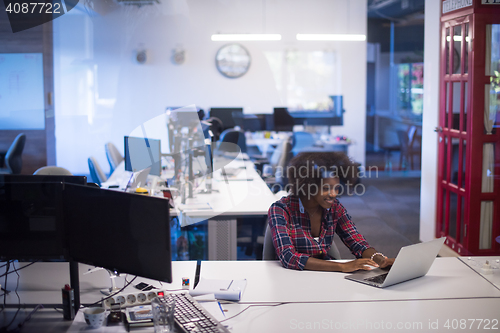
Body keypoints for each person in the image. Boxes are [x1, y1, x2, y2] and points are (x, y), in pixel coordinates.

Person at [268, 152, 395, 272]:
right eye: (326, 188)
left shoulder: (335, 208)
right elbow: (288, 257)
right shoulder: (281, 209)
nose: (334, 194)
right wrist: (342, 266)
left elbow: (357, 242)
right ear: (307, 186)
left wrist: (379, 259)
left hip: (326, 277)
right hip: (290, 279)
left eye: (337, 188)